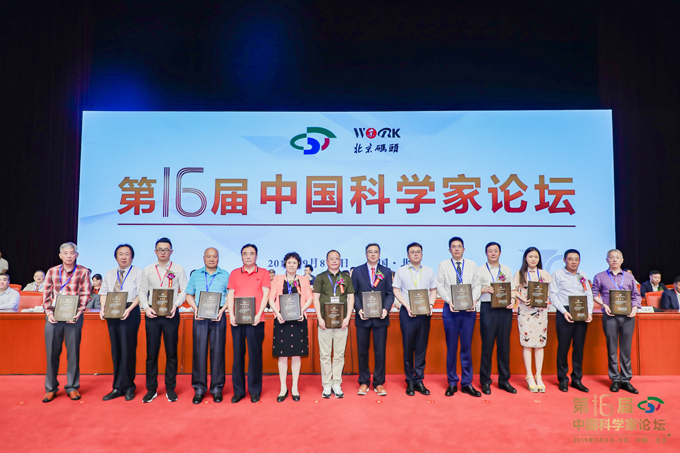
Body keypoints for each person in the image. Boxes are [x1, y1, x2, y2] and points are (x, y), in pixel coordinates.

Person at [138, 237, 188, 403]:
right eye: (160, 249)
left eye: (166, 249)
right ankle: (151, 389)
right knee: (151, 353)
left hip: (171, 315)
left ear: (171, 251)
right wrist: (146, 307)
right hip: (152, 315)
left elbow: (184, 290)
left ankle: (170, 388)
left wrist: (175, 305)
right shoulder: (148, 270)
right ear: (155, 251)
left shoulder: (178, 269)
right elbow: (142, 291)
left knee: (171, 352)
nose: (163, 252)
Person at [41, 242, 91, 402]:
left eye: (72, 253)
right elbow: (46, 294)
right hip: (54, 317)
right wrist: (49, 313)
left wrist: (78, 312)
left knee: (73, 353)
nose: (69, 256)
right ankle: (51, 388)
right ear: (60, 255)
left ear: (76, 255)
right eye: (66, 253)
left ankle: (72, 387)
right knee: (52, 354)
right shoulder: (52, 271)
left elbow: (85, 294)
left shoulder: (83, 272)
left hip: (73, 318)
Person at [436, 237, 481, 397]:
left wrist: (473, 300)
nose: (456, 249)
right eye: (453, 247)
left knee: (466, 347)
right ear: (450, 250)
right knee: (452, 347)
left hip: (468, 311)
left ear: (463, 249)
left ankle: (467, 383)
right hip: (451, 310)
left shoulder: (472, 265)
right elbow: (440, 285)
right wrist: (450, 301)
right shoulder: (443, 265)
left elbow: (477, 285)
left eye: (459, 246)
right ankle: (452, 382)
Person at [592, 249, 642, 394]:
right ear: (607, 260)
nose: (614, 260)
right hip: (610, 316)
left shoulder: (629, 277)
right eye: (611, 257)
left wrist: (635, 308)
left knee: (626, 349)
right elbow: (594, 294)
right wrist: (604, 305)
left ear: (622, 260)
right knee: (612, 349)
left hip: (628, 317)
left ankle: (625, 380)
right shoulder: (600, 276)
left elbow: (636, 295)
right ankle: (615, 379)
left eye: (617, 257)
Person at [227, 244, 271, 403]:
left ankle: (254, 390)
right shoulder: (234, 273)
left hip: (256, 321)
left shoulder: (264, 273)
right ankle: (238, 391)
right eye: (245, 253)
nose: (248, 256)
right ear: (241, 256)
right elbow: (231, 295)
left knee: (255, 355)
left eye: (251, 253)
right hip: (237, 321)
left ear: (256, 256)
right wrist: (231, 314)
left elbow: (266, 295)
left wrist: (258, 314)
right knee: (238, 355)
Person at [185, 247, 229, 404]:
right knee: (199, 352)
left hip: (218, 315)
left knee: (218, 352)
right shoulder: (196, 274)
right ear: (204, 258)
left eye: (214, 256)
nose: (211, 259)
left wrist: (223, 310)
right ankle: (199, 389)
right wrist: (195, 309)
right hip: (200, 316)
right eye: (209, 256)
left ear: (218, 258)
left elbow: (231, 295)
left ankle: (217, 389)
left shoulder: (225, 275)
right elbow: (188, 295)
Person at [99, 244, 143, 401]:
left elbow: (141, 294)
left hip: (129, 311)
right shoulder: (110, 273)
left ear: (132, 257)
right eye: (120, 254)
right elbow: (103, 292)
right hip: (112, 310)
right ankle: (117, 387)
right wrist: (103, 308)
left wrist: (129, 309)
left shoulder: (138, 272)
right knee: (116, 349)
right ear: (116, 257)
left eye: (127, 254)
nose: (123, 257)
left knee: (128, 349)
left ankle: (129, 386)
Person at [393, 242, 437, 396]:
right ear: (408, 255)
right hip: (407, 314)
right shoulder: (401, 271)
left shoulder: (429, 271)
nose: (416, 254)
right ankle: (410, 381)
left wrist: (430, 305)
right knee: (408, 348)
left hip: (424, 314)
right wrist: (406, 306)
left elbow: (433, 290)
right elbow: (396, 290)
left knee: (421, 348)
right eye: (412, 252)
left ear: (422, 254)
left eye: (418, 251)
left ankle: (419, 380)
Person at [269, 252, 313, 402]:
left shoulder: (303, 280)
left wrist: (301, 311)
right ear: (285, 264)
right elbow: (271, 298)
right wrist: (277, 313)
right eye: (289, 262)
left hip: (298, 319)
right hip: (281, 320)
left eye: (294, 262)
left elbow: (309, 298)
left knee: (296, 354)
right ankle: (283, 387)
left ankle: (294, 386)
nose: (292, 265)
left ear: (298, 264)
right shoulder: (278, 279)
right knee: (282, 354)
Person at [351, 243, 394, 396]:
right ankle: (363, 382)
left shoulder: (386, 271)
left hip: (380, 318)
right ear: (366, 254)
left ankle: (379, 383)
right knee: (362, 351)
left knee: (380, 351)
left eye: (376, 252)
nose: (373, 254)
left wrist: (385, 309)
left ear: (379, 254)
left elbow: (390, 294)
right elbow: (353, 293)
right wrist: (359, 309)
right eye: (370, 252)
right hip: (363, 317)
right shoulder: (357, 271)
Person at [476, 242, 517, 395]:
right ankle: (485, 381)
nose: (493, 253)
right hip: (488, 309)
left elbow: (512, 289)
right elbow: (473, 290)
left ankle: (504, 380)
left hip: (504, 309)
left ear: (500, 253)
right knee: (487, 347)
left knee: (504, 347)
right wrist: (483, 289)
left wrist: (513, 300)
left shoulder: (506, 269)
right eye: (490, 251)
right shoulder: (479, 270)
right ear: (486, 253)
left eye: (495, 251)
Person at [550, 249, 593, 393]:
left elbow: (588, 294)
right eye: (570, 259)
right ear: (564, 260)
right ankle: (562, 379)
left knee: (579, 347)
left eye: (576, 259)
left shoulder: (583, 275)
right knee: (563, 347)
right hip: (565, 311)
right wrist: (564, 311)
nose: (574, 262)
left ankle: (577, 379)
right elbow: (553, 295)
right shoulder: (557, 274)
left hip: (581, 311)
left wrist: (589, 312)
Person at [313, 250, 355, 398]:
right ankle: (326, 384)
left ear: (340, 261)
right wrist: (319, 318)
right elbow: (316, 299)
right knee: (325, 355)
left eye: (337, 258)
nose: (334, 261)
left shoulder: (346, 278)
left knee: (339, 355)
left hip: (341, 323)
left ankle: (336, 383)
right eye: (331, 259)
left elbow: (351, 298)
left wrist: (347, 318)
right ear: (326, 261)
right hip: (324, 322)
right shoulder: (320, 277)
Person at [513, 247, 553, 393]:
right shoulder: (520, 274)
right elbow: (513, 290)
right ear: (525, 258)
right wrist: (523, 298)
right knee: (527, 344)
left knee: (540, 344)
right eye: (530, 256)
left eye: (536, 257)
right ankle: (529, 375)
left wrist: (546, 299)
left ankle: (539, 376)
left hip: (540, 312)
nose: (533, 259)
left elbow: (550, 292)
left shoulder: (544, 274)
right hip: (525, 312)